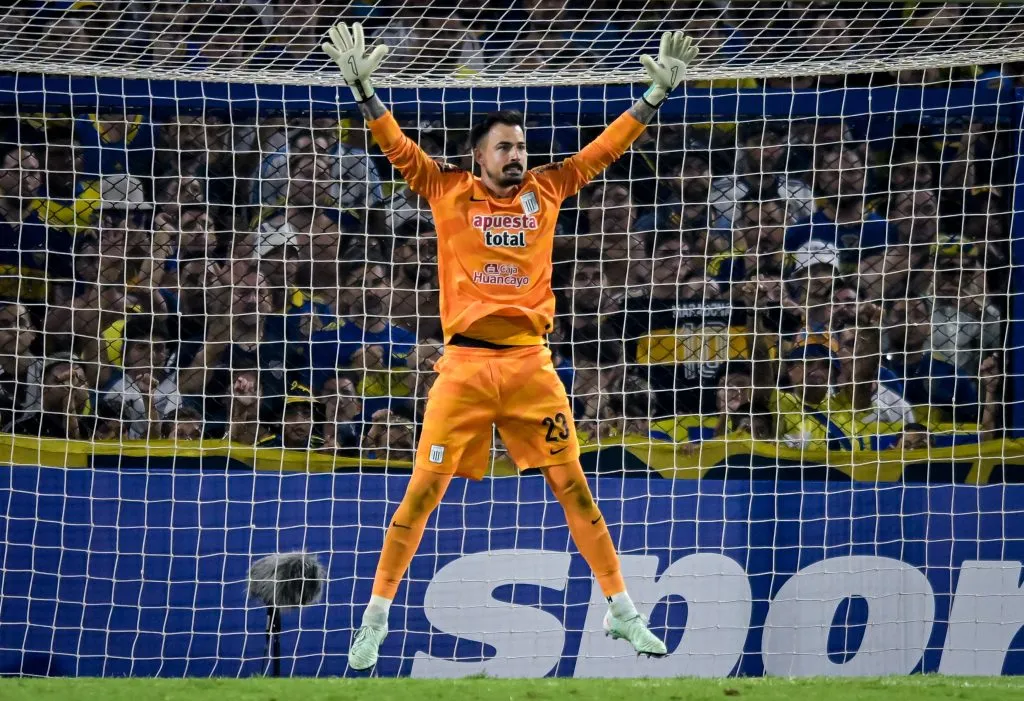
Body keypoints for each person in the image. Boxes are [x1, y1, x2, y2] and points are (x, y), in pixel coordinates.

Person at [323, 22, 698, 667]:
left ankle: (622, 610)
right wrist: (364, 91)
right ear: (479, 156)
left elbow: (602, 153)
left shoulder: (546, 190)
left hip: (530, 366)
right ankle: (375, 618)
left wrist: (653, 97)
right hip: (464, 367)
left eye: (521, 146)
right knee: (421, 492)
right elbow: (399, 151)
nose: (516, 156)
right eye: (504, 148)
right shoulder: (446, 192)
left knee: (575, 488)